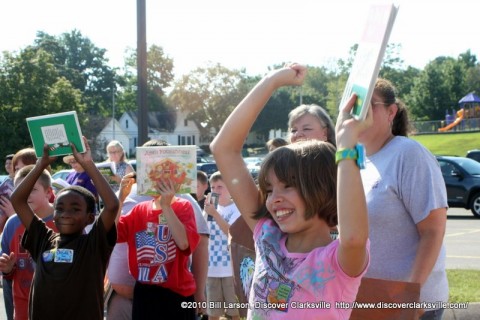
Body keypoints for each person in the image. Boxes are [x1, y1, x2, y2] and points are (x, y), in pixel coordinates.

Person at [210, 63, 371, 319]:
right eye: (270, 188)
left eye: (288, 186)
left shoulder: (337, 261)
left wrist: (346, 146)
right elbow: (223, 149)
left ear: (323, 189)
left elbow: (354, 238)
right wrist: (272, 81)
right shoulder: (267, 236)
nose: (274, 199)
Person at [359, 78, 448, 319]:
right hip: (371, 302)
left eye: (369, 105)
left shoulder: (409, 154)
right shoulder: (358, 162)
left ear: (391, 112)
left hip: (409, 306)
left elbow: (433, 230)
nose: (359, 114)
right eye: (353, 107)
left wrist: (411, 292)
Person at [9, 137, 119, 320]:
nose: (65, 214)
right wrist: (41, 164)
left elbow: (112, 206)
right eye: (59, 209)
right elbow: (17, 200)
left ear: (90, 217)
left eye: (75, 209)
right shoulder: (44, 239)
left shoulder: (93, 244)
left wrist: (88, 163)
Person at [115, 144, 200, 319]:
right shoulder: (139, 210)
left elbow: (184, 244)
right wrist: (120, 199)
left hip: (177, 293)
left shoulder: (183, 206)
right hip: (145, 292)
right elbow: (112, 234)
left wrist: (166, 206)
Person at [0, 165, 57, 320]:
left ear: (48, 192)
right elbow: (7, 272)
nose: (25, 194)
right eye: (20, 190)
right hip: (23, 310)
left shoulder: (65, 221)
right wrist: (7, 268)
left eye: (32, 189)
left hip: (58, 307)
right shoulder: (12, 224)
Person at [0, 148, 39, 320]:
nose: (20, 173)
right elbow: (6, 261)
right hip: (19, 291)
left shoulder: (59, 214)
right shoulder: (13, 223)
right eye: (16, 169)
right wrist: (6, 268)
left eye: (25, 168)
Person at [204, 171, 240, 320]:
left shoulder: (236, 209)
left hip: (230, 270)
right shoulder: (209, 209)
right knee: (213, 314)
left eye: (220, 187)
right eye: (212, 187)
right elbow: (204, 234)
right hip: (212, 268)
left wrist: (215, 214)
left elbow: (232, 233)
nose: (215, 191)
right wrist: (208, 213)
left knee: (235, 313)